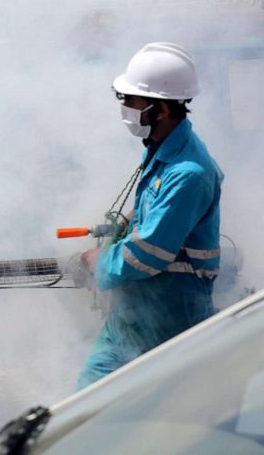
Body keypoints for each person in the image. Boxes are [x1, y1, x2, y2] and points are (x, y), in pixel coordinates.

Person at [77, 42, 223, 389]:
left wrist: (97, 260)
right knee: (88, 406)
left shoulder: (189, 172)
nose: (125, 107)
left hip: (166, 321)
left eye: (130, 100)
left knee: (148, 417)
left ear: (160, 109)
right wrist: (127, 221)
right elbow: (153, 211)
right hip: (131, 318)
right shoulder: (164, 151)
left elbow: (147, 254)